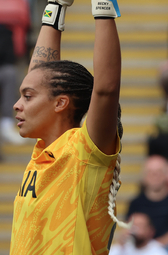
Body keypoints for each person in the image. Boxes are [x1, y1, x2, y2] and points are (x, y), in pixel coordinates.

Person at [10, 0, 126, 254]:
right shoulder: (44, 151)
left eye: (27, 97)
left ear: (61, 103)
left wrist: (103, 6)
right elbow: (41, 76)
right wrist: (56, 5)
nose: (17, 105)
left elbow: (106, 90)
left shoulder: (84, 151)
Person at [127, 155, 168, 255]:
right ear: (144, 176)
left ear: (167, 174)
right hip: (140, 246)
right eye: (150, 172)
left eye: (159, 172)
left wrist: (153, 247)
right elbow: (129, 230)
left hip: (167, 248)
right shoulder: (135, 203)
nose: (154, 175)